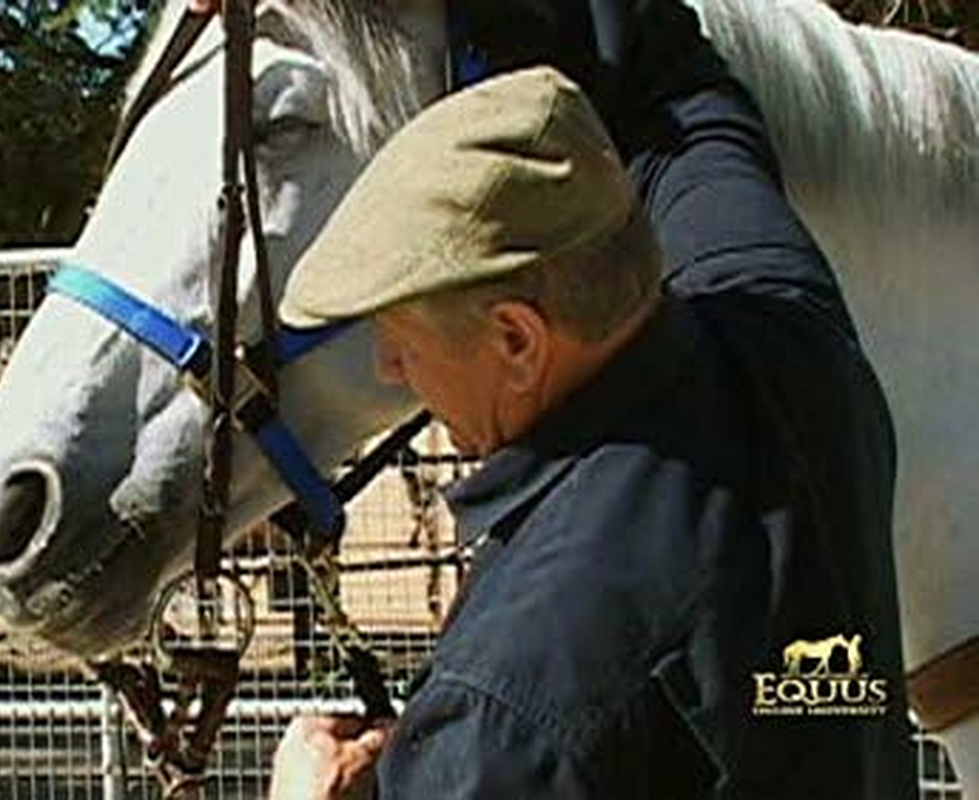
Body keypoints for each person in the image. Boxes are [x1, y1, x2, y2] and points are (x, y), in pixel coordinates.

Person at [251, 1, 918, 798]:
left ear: (517, 340)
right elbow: (675, 86)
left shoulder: (507, 703)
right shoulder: (794, 342)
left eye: (399, 334)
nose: (390, 368)